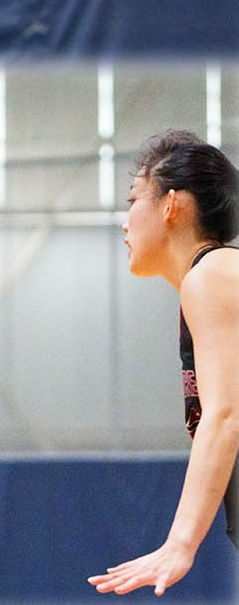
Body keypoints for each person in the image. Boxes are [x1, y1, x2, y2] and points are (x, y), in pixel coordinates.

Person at [91, 130, 239, 597]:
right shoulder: (212, 280)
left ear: (171, 205)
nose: (125, 221)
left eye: (134, 199)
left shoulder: (212, 275)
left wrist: (180, 543)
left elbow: (225, 414)